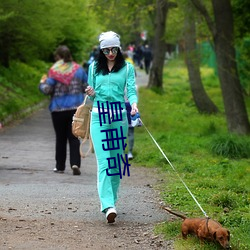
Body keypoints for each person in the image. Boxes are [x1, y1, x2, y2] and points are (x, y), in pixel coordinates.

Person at [85, 31, 138, 223]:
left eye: (114, 49)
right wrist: (90, 92)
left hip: (119, 118)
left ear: (119, 48)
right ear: (101, 50)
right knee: (104, 161)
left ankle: (113, 201)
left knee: (116, 162)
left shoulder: (127, 68)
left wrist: (133, 104)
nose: (110, 53)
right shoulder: (93, 68)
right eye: (106, 50)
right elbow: (91, 97)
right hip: (99, 117)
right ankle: (107, 205)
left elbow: (131, 90)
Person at [39, 45, 88, 175]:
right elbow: (86, 87)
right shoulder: (79, 70)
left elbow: (47, 90)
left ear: (58, 57)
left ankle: (60, 166)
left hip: (58, 109)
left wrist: (42, 83)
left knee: (60, 138)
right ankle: (75, 163)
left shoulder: (54, 71)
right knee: (74, 137)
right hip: (75, 109)